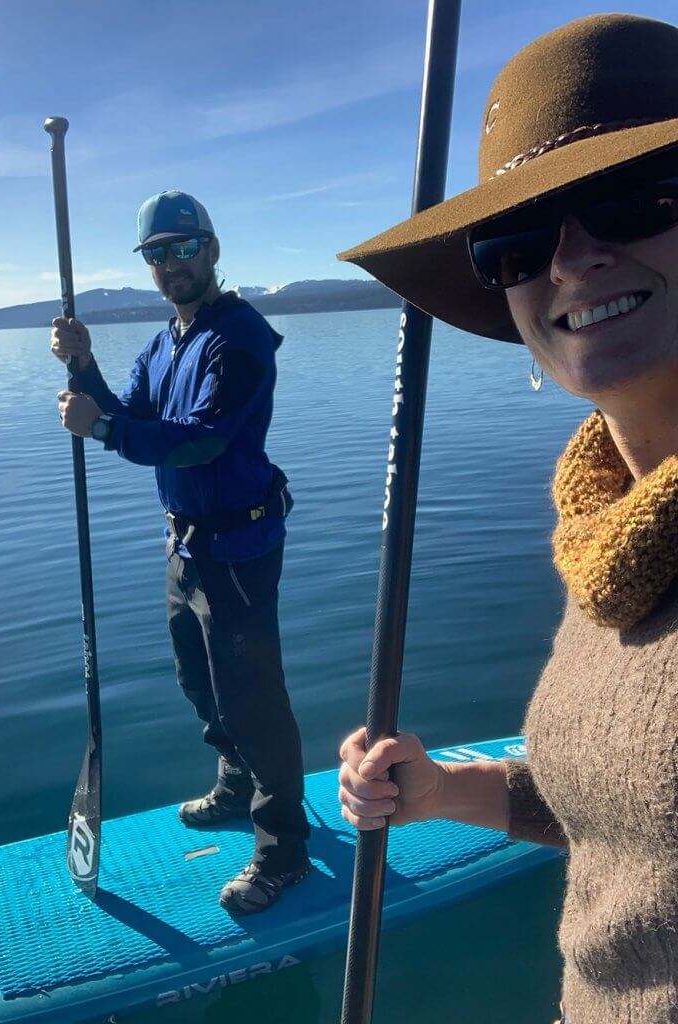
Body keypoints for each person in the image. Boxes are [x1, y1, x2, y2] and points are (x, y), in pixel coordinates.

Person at [337, 13, 678, 1024]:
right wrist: (447, 791)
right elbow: (627, 810)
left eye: (628, 198)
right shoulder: (614, 537)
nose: (570, 261)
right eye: (517, 245)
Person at [51, 190, 310, 914]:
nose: (171, 264)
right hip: (186, 547)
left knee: (253, 700)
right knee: (197, 680)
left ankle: (283, 850)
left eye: (183, 248)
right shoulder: (165, 341)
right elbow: (134, 414)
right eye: (156, 253)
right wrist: (86, 365)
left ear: (213, 250)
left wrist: (101, 431)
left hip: (240, 549)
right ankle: (234, 785)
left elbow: (200, 436)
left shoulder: (241, 337)